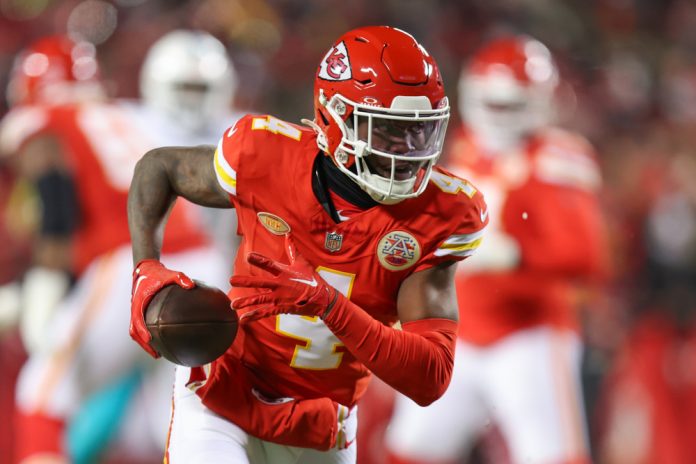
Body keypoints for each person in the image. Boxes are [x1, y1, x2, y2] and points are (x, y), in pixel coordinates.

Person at [127, 25, 488, 464]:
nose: (408, 152)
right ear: (334, 117)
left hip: (320, 423)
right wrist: (145, 268)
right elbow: (158, 167)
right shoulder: (264, 154)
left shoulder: (441, 214)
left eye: (420, 131)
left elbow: (428, 378)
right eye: (388, 131)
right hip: (225, 392)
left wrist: (329, 305)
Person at [1, 31, 239, 463]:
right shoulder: (120, 118)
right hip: (204, 264)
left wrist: (44, 280)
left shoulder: (46, 119)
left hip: (137, 264)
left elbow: (56, 199)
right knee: (169, 427)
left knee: (44, 394)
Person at [384, 35, 609, 464]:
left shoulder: (558, 158)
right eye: (491, 103)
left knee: (552, 456)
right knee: (410, 450)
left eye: (509, 105)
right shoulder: (463, 144)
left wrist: (513, 256)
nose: (497, 117)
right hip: (459, 332)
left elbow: (586, 258)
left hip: (529, 337)